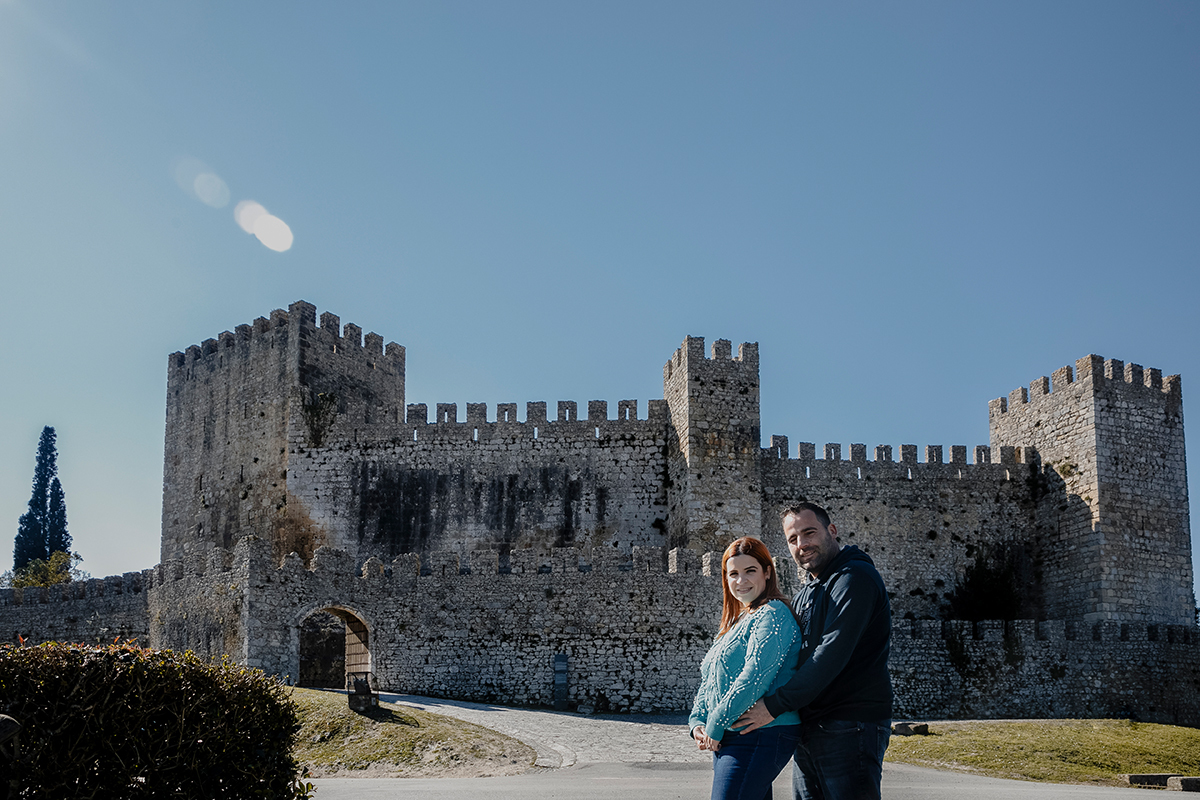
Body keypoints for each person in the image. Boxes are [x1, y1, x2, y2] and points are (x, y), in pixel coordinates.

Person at [735, 503, 892, 800]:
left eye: (809, 533)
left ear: (831, 531)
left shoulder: (854, 578)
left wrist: (772, 706)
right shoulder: (807, 591)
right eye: (793, 539)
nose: (801, 544)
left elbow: (830, 654)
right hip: (811, 727)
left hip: (849, 724)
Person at [689, 536, 804, 800]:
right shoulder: (737, 621)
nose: (741, 581)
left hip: (762, 735)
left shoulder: (773, 613)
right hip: (733, 735)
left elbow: (753, 678)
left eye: (750, 571)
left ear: (767, 572)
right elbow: (710, 678)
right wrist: (697, 722)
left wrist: (715, 725)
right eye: (733, 574)